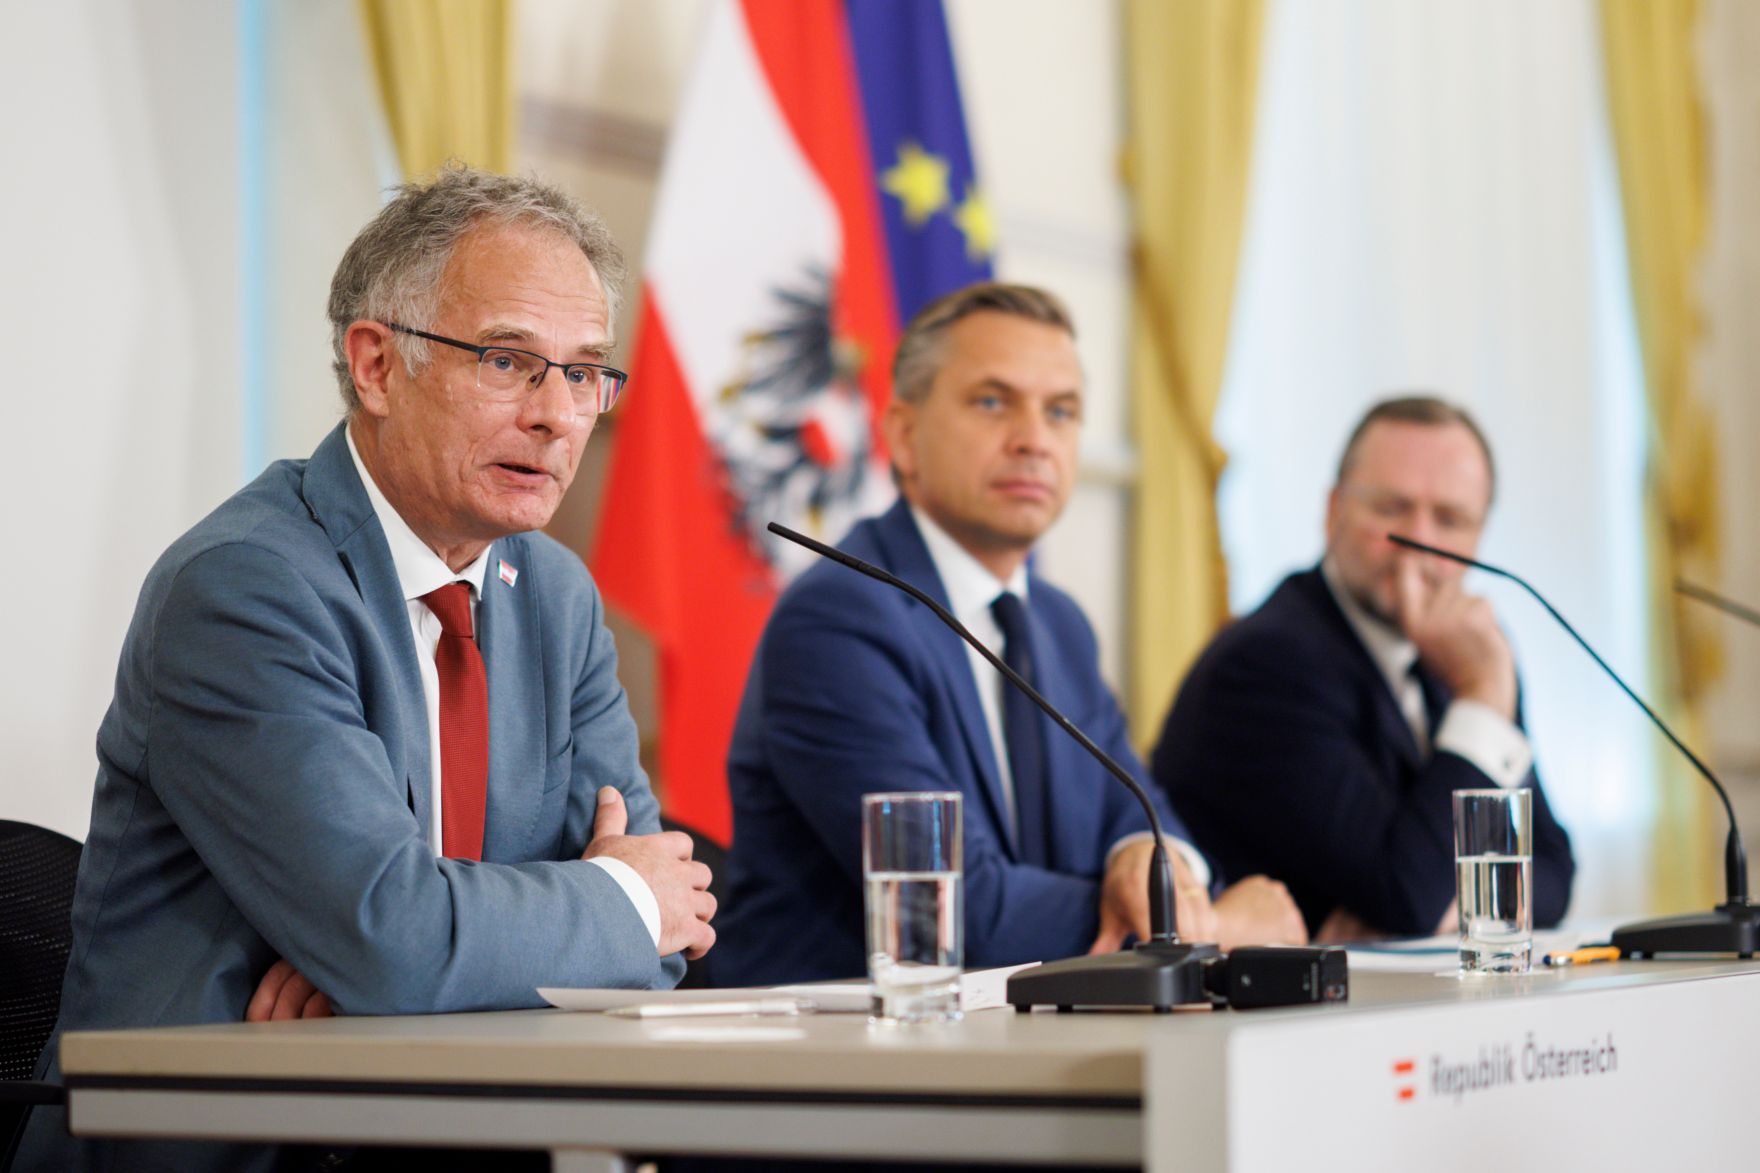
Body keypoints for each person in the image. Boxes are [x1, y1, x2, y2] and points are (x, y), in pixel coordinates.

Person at [14, 166, 715, 1173]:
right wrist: (581, 913)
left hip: (459, 1139)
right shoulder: (245, 589)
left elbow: (662, 943)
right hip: (234, 1150)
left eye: (586, 371)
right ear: (378, 364)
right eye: (510, 361)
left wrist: (419, 971)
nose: (559, 414)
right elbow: (409, 935)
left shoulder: (554, 596)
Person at [711, 282, 1304, 988]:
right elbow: (960, 913)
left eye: (1061, 411)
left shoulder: (1057, 623)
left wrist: (1146, 858)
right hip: (843, 1062)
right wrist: (1215, 928)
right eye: (993, 402)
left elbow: (1136, 808)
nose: (1033, 438)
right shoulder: (841, 617)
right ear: (903, 435)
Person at [1150, 396, 1575, 941]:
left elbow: (1557, 872)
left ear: (1479, 536)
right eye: (1391, 509)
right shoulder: (1266, 663)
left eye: (1450, 519)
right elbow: (1407, 894)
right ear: (1333, 512)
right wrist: (1481, 697)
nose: (1419, 541)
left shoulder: (1470, 652)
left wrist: (1446, 905)